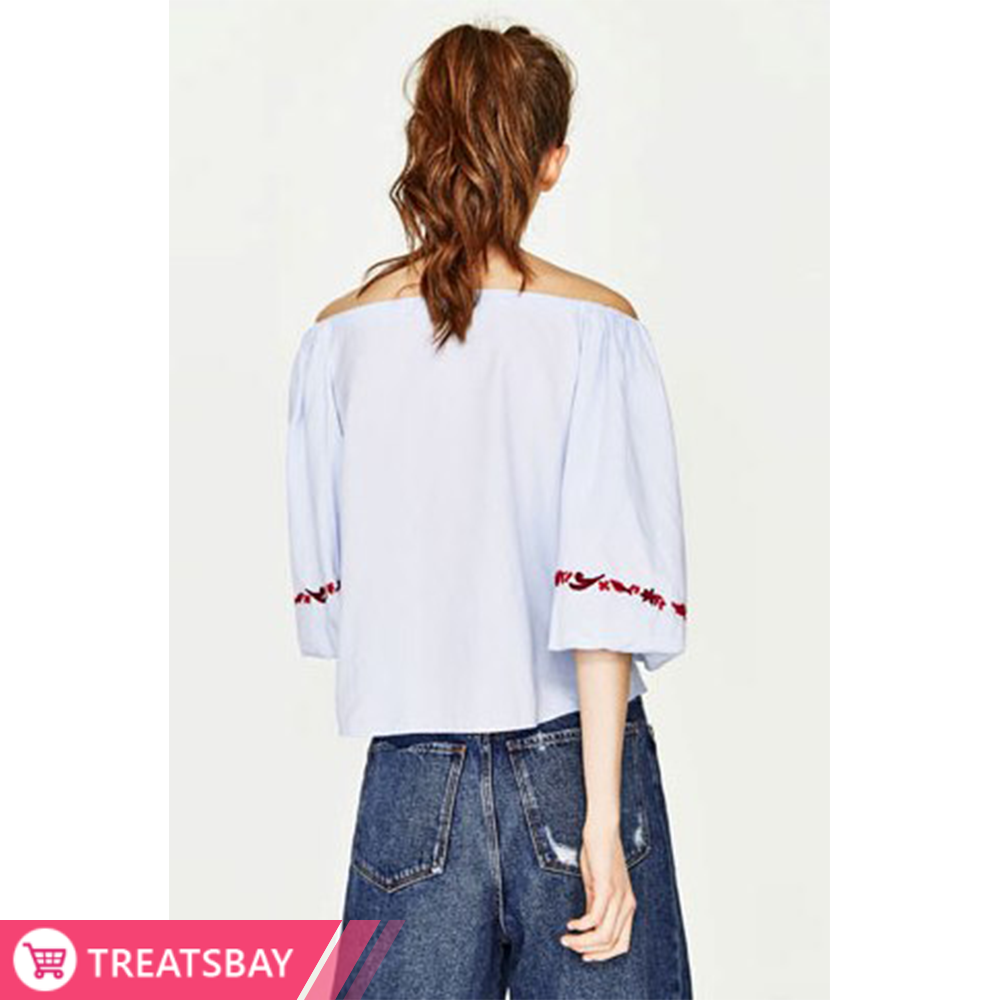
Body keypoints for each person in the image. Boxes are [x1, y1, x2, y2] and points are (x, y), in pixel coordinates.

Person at [286, 22, 692, 1000]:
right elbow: (604, 606)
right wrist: (600, 821)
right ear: (551, 162)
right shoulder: (597, 329)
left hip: (411, 777)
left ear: (426, 141)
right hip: (573, 763)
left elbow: (338, 610)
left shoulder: (336, 342)